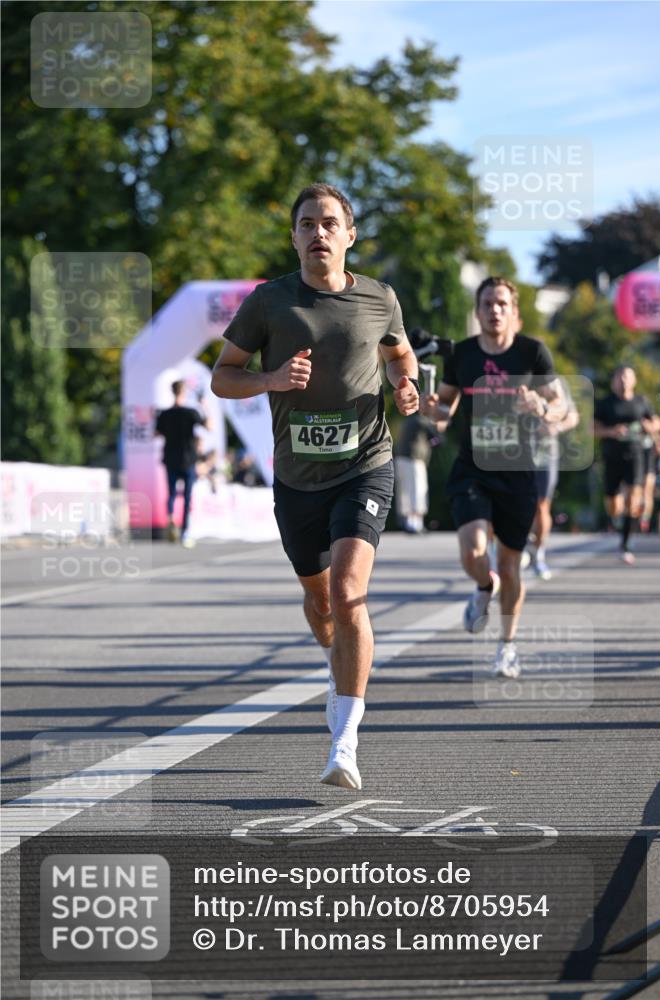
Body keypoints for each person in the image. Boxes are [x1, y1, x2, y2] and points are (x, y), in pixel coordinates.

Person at [211, 183, 419, 789]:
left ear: (349, 236)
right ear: (295, 236)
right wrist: (272, 378)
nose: (317, 233)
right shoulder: (269, 302)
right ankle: (339, 667)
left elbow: (401, 355)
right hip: (297, 478)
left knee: (350, 593)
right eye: (306, 224)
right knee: (321, 601)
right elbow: (223, 378)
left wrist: (406, 386)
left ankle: (344, 741)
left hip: (366, 464)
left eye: (329, 223)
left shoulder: (379, 298)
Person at [421, 277, 565, 678]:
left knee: (511, 563)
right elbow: (445, 413)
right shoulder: (463, 355)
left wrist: (541, 406)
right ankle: (485, 586)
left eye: (501, 303)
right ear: (478, 310)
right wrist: (432, 409)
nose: (494, 310)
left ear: (513, 312)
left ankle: (507, 646)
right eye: (487, 303)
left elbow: (561, 408)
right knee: (473, 551)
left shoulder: (532, 353)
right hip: (473, 468)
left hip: (518, 473)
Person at [593, 366, 660, 564]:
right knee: (614, 506)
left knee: (634, 499)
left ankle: (626, 544)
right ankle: (618, 520)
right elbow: (593, 429)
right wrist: (611, 432)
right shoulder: (606, 404)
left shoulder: (641, 402)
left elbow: (657, 422)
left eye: (627, 377)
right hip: (612, 456)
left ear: (634, 381)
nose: (623, 380)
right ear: (614, 381)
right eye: (620, 377)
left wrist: (652, 426)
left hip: (636, 455)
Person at [527, 377, 579, 580]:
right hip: (513, 452)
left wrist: (555, 427)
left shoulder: (555, 382)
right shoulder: (510, 374)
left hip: (546, 453)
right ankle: (518, 547)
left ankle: (538, 553)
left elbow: (572, 416)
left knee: (542, 505)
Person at [155, 381, 212, 547]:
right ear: (184, 392)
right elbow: (209, 426)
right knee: (187, 497)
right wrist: (205, 407)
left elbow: (156, 433)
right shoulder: (191, 412)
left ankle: (171, 518)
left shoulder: (164, 414)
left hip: (170, 457)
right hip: (188, 459)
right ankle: (185, 531)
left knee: (171, 493)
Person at [394, 413, 442, 533]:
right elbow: (437, 439)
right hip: (414, 459)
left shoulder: (408, 420)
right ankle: (416, 523)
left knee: (405, 490)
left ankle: (408, 522)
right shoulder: (422, 421)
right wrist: (439, 427)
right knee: (417, 490)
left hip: (401, 458)